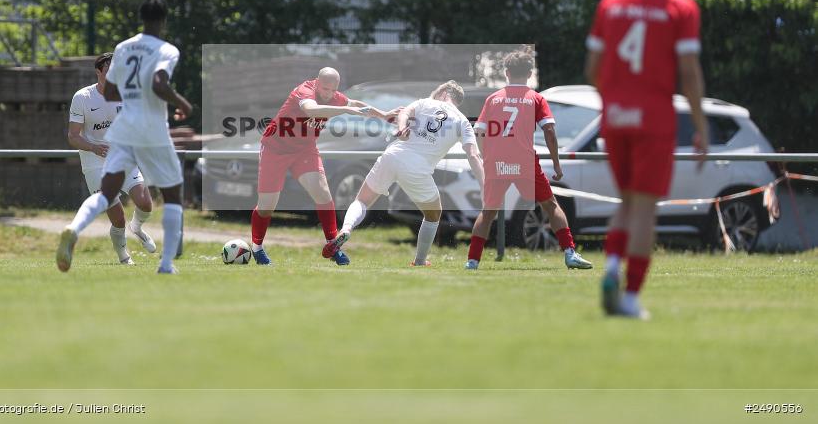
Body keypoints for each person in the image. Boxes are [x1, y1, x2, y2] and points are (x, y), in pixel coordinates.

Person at [585, 0, 707, 319]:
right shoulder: (682, 7)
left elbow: (593, 69)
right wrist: (700, 124)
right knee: (644, 209)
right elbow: (689, 72)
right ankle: (631, 296)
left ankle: (610, 267)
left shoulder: (611, 2)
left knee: (625, 201)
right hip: (654, 118)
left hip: (616, 116)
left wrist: (614, 101)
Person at [57, 0, 193, 274]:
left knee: (107, 193)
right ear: (163, 20)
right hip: (151, 128)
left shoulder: (123, 47)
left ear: (141, 18)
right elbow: (159, 84)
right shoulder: (167, 49)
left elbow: (111, 92)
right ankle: (166, 264)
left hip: (123, 130)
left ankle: (75, 228)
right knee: (172, 194)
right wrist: (182, 104)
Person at [323, 81, 484, 267]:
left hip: (393, 155)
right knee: (433, 215)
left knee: (362, 201)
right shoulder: (463, 121)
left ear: (443, 94)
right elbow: (473, 155)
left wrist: (400, 129)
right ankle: (420, 261)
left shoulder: (425, 102)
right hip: (417, 169)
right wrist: (484, 185)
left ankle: (346, 229)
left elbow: (404, 113)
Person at [251, 68, 399, 266]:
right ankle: (257, 247)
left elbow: (356, 104)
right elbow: (311, 109)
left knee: (323, 194)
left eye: (333, 90)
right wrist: (346, 110)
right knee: (267, 206)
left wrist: (384, 115)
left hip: (304, 150)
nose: (329, 94)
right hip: (275, 149)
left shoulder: (336, 98)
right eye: (325, 89)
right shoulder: (304, 91)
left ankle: (333, 246)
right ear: (317, 82)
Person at [465, 50, 592, 270]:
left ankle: (472, 261)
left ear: (506, 73)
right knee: (550, 205)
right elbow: (549, 131)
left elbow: (479, 132)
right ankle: (570, 253)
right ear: (530, 73)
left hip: (497, 163)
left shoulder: (493, 99)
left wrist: (487, 158)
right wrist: (556, 164)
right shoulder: (536, 98)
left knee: (488, 212)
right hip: (524, 162)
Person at [68, 52, 157, 265]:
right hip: (94, 163)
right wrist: (93, 147)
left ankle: (137, 228)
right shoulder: (83, 97)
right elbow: (73, 136)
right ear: (98, 72)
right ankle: (124, 257)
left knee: (145, 203)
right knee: (118, 218)